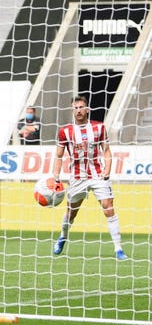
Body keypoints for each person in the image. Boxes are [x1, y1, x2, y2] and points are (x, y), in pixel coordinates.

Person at [52, 95, 126, 260]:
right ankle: (62, 237)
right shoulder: (65, 131)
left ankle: (118, 249)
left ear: (87, 109)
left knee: (108, 207)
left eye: (81, 107)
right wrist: (56, 176)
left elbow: (106, 151)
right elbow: (58, 155)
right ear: (73, 110)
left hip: (98, 175)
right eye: (75, 108)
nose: (78, 110)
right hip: (77, 177)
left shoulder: (99, 128)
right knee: (71, 213)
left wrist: (107, 169)